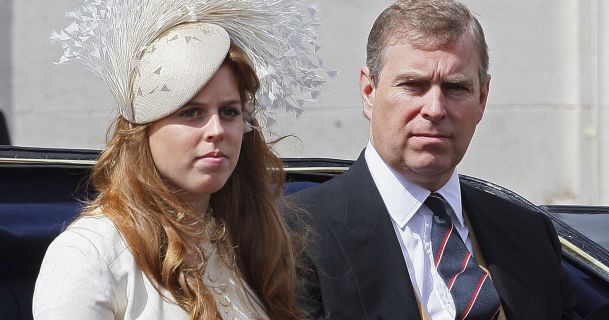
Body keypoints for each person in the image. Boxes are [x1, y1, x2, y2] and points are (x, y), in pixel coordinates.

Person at [33, 0, 326, 319]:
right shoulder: (90, 254)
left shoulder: (248, 242)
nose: (216, 130)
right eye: (191, 112)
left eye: (229, 112)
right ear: (141, 130)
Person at [288, 0, 577, 319]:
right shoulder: (296, 233)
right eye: (413, 85)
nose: (435, 109)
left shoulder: (530, 235)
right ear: (369, 91)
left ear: (482, 98)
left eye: (455, 88)